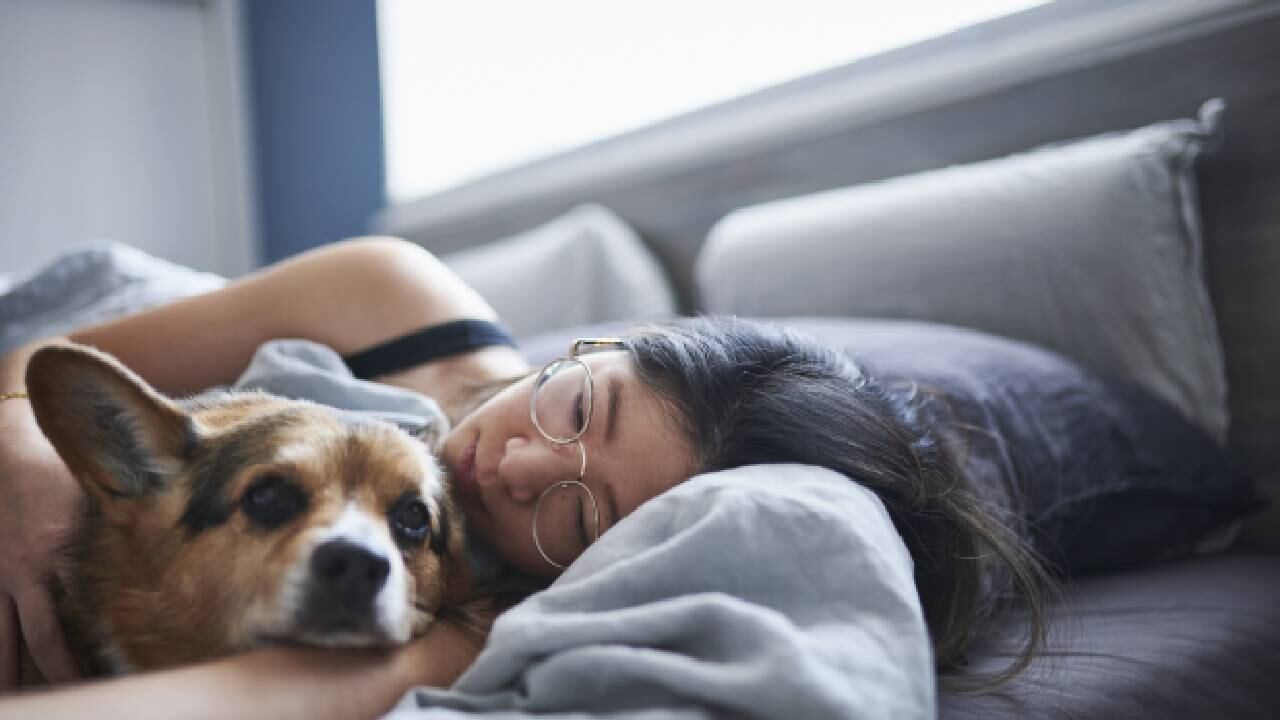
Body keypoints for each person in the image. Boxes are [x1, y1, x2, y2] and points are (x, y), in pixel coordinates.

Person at [0, 237, 1050, 718]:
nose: (510, 464)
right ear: (600, 344)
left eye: (578, 514)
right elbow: (30, 372)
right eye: (579, 407)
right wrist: (29, 466)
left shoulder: (481, 605)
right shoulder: (389, 291)